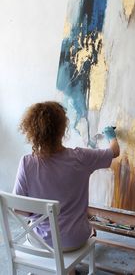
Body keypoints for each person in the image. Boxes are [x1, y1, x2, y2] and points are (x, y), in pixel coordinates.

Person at [13, 101, 120, 275]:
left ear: (32, 131)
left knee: (35, 225)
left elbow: (19, 210)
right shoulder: (81, 158)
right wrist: (111, 136)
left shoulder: (26, 163)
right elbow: (114, 152)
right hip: (74, 240)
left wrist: (39, 214)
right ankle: (68, 271)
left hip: (41, 241)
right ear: (63, 130)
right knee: (84, 231)